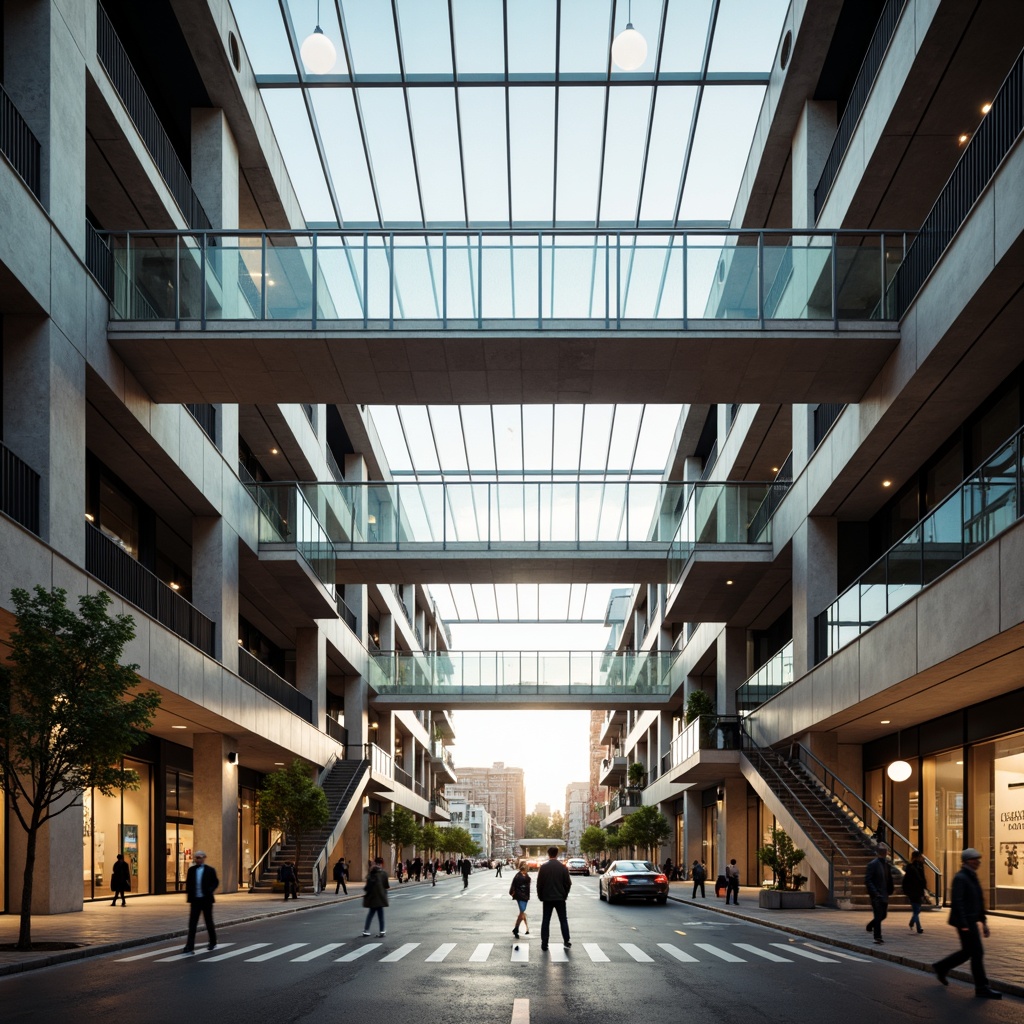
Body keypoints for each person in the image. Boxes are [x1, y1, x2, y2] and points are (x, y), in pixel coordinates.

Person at [933, 848, 1002, 999]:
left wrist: (983, 922)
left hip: (971, 920)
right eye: (974, 859)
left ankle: (941, 967)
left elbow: (979, 900)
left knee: (967, 953)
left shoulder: (971, 876)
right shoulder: (961, 878)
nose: (978, 862)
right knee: (977, 953)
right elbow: (958, 902)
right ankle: (981, 987)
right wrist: (964, 924)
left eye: (978, 859)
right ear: (967, 861)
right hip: (965, 922)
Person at [181, 850, 219, 953]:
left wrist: (210, 890)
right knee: (192, 924)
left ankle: (213, 942)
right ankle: (189, 946)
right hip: (195, 900)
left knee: (208, 922)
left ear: (204, 858)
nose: (198, 859)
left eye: (200, 857)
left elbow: (216, 882)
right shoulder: (191, 870)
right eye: (196, 857)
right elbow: (188, 883)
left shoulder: (210, 870)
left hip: (206, 900)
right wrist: (189, 895)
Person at [536, 846, 571, 951]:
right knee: (563, 920)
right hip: (560, 898)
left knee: (546, 920)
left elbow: (539, 884)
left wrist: (540, 896)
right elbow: (568, 883)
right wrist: (564, 894)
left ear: (548, 854)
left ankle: (544, 943)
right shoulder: (563, 867)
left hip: (547, 898)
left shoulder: (543, 867)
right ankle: (566, 940)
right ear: (557, 854)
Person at [864, 843, 893, 944]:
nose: (885, 853)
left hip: (884, 893)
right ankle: (877, 936)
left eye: (885, 851)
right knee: (878, 914)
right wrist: (874, 892)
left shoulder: (886, 864)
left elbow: (888, 879)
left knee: (883, 915)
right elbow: (868, 880)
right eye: (883, 851)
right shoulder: (873, 864)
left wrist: (890, 890)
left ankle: (870, 925)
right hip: (876, 895)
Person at [362, 855, 390, 937]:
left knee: (370, 914)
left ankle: (366, 930)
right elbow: (386, 886)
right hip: (380, 897)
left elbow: (367, 887)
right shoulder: (384, 874)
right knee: (380, 915)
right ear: (381, 864)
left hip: (372, 897)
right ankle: (382, 930)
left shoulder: (371, 874)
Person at [902, 850, 927, 933]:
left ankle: (914, 923)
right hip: (914, 891)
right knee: (917, 909)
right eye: (921, 856)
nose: (922, 858)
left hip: (916, 891)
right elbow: (921, 880)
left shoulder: (918, 866)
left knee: (917, 909)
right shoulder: (913, 867)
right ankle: (917, 926)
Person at [510, 862, 531, 939]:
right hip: (521, 896)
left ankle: (526, 928)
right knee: (522, 911)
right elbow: (516, 886)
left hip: (524, 896)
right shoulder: (519, 876)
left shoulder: (524, 875)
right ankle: (516, 928)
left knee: (522, 912)